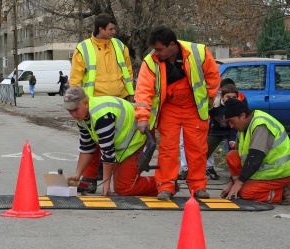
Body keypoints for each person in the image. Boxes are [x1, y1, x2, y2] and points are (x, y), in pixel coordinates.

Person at [134, 26, 220, 200]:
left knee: (197, 149)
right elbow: (143, 90)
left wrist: (211, 96)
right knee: (168, 150)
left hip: (194, 108)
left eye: (159, 49)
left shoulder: (199, 52)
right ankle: (165, 186)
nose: (156, 53)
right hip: (169, 109)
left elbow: (212, 76)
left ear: (172, 45)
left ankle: (198, 187)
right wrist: (142, 117)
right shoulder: (151, 61)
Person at [69, 13, 135, 191]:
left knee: (115, 141)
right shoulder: (83, 48)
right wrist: (76, 102)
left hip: (118, 100)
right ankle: (90, 179)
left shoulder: (119, 46)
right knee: (93, 141)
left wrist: (130, 94)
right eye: (111, 29)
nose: (114, 32)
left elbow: (128, 71)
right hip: (93, 102)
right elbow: (75, 78)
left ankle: (110, 179)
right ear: (101, 29)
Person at [64, 86, 157, 196]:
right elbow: (87, 147)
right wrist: (77, 175)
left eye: (75, 109)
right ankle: (163, 182)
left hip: (138, 138)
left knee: (125, 188)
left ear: (85, 102)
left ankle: (164, 183)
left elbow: (108, 152)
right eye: (70, 111)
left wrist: (106, 185)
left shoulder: (102, 116)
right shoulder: (83, 116)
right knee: (121, 184)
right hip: (123, 144)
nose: (73, 115)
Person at [221, 98, 290, 205]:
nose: (231, 126)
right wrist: (232, 184)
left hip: (280, 172)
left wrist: (239, 183)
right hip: (264, 171)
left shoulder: (260, 124)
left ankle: (282, 192)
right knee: (232, 156)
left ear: (242, 115)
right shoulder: (243, 127)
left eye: (231, 121)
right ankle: (238, 189)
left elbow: (255, 158)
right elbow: (241, 157)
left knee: (246, 193)